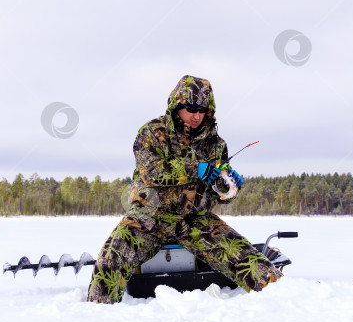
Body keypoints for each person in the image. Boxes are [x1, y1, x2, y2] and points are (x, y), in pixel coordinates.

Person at [87, 75, 282, 303]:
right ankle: (97, 317)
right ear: (176, 106)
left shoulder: (216, 145)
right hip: (148, 217)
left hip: (195, 219)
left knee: (251, 261)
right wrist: (195, 168)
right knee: (111, 259)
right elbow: (151, 172)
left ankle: (285, 303)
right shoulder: (152, 133)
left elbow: (218, 193)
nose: (197, 115)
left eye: (202, 110)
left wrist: (228, 187)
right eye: (190, 108)